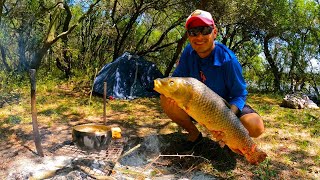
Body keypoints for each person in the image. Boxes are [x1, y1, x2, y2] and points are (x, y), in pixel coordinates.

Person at [160, 9, 264, 152]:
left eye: (205, 30)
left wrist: (227, 121)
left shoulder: (228, 60)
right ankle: (195, 135)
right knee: (166, 98)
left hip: (226, 108)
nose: (199, 36)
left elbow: (239, 94)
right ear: (189, 36)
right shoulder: (188, 52)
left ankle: (229, 139)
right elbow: (176, 79)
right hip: (198, 105)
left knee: (256, 126)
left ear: (214, 32)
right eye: (193, 32)